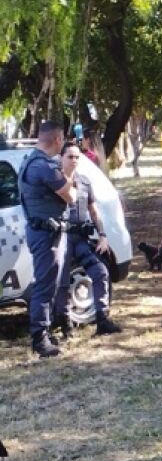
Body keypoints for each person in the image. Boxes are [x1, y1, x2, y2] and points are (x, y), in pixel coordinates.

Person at [18, 122, 76, 357]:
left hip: (42, 231)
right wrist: (69, 173)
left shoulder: (29, 160)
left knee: (47, 284)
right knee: (44, 286)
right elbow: (71, 196)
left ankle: (46, 331)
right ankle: (40, 339)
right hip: (46, 235)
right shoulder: (43, 167)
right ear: (58, 140)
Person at [53, 143, 121, 338]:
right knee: (62, 281)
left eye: (77, 157)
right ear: (61, 158)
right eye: (70, 157)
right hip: (62, 238)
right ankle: (66, 325)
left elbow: (93, 210)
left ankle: (102, 320)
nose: (74, 160)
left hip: (81, 238)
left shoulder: (84, 181)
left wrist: (103, 236)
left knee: (101, 272)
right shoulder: (54, 182)